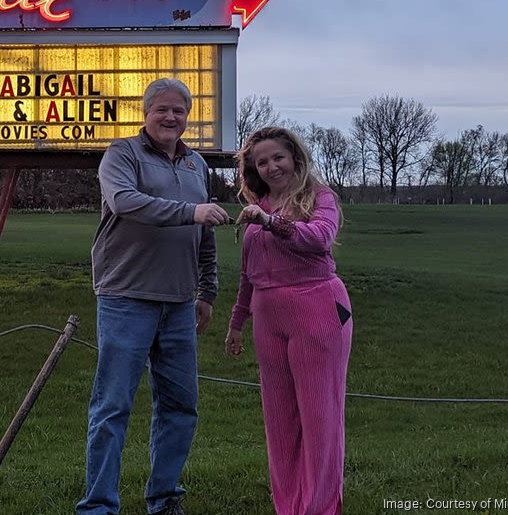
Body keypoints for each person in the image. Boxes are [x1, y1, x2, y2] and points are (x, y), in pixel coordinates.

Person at [77, 78, 231, 515]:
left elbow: (204, 233)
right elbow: (126, 203)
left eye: (178, 111)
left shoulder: (196, 164)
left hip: (181, 303)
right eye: (161, 109)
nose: (170, 118)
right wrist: (191, 211)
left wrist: (207, 290)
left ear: (188, 117)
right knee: (113, 406)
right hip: (126, 296)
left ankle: (164, 499)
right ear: (146, 113)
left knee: (181, 405)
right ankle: (99, 505)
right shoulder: (121, 154)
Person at [225, 126, 352, 515]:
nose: (270, 167)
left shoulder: (320, 197)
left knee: (319, 417)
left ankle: (320, 507)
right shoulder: (260, 203)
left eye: (277, 157)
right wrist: (236, 323)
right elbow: (250, 273)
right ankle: (289, 505)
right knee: (279, 420)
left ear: (294, 157)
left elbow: (318, 238)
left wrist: (268, 222)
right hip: (268, 317)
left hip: (318, 309)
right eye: (261, 162)